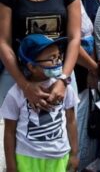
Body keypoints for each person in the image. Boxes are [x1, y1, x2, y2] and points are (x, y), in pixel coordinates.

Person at [0, 0, 81, 110]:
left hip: (60, 74)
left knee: (65, 130)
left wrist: (63, 80)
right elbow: (3, 42)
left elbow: (74, 38)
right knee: (19, 132)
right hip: (17, 77)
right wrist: (25, 86)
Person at [0, 34, 79, 172]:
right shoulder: (16, 94)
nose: (58, 61)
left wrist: (74, 153)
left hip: (59, 157)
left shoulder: (65, 89)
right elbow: (9, 132)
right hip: (27, 159)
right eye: (51, 58)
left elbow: (71, 121)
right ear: (32, 66)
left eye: (59, 56)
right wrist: (11, 166)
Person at [59, 0, 99, 169]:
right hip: (75, 71)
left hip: (86, 72)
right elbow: (72, 40)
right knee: (73, 128)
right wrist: (93, 67)